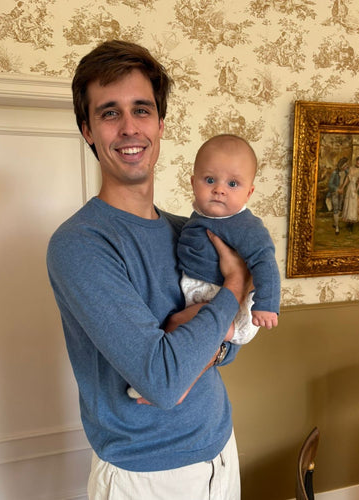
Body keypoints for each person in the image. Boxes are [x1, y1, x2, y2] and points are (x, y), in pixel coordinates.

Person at [47, 40, 253, 500]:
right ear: (88, 130)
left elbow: (235, 340)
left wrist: (198, 346)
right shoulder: (80, 244)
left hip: (221, 449)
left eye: (141, 110)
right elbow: (162, 382)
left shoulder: (191, 231)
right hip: (148, 477)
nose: (129, 128)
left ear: (160, 124)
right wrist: (235, 285)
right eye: (109, 113)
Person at [177, 134, 280, 333]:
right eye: (209, 180)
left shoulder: (246, 225)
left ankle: (227, 332)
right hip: (201, 294)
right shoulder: (198, 218)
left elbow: (265, 261)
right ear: (193, 183)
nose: (219, 189)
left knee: (181, 325)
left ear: (249, 193)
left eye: (232, 184)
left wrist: (267, 304)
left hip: (231, 305)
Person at [339, 155, 359, 231]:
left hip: (354, 188)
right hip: (349, 188)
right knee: (348, 203)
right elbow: (347, 179)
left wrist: (356, 189)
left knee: (353, 205)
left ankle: (352, 224)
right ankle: (348, 222)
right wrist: (343, 187)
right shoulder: (350, 168)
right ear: (357, 160)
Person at [326, 156, 349, 234]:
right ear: (341, 166)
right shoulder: (335, 173)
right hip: (335, 193)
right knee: (335, 209)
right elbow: (330, 184)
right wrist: (337, 189)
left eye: (346, 165)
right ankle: (337, 227)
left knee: (339, 208)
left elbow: (349, 178)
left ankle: (335, 223)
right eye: (345, 165)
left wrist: (342, 189)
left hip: (341, 192)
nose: (346, 166)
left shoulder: (346, 172)